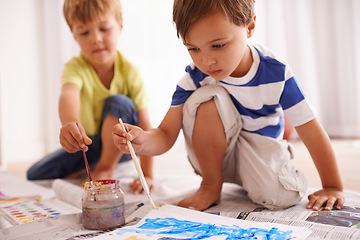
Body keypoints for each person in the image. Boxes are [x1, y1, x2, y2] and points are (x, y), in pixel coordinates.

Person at [113, 0, 344, 211]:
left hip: (258, 148)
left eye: (219, 45)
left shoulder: (276, 73)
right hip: (214, 153)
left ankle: (275, 154)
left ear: (250, 26)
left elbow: (312, 132)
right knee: (208, 95)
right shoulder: (195, 77)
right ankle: (211, 185)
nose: (206, 61)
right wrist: (141, 141)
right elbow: (165, 134)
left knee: (280, 197)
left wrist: (332, 185)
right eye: (193, 48)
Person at [27, 0, 154, 193]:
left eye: (104, 28)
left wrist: (148, 175)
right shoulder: (75, 67)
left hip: (121, 144)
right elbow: (68, 93)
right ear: (74, 36)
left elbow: (145, 127)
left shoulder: (130, 72)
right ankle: (93, 165)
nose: (95, 38)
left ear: (120, 26)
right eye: (84, 33)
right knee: (35, 173)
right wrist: (70, 123)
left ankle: (106, 167)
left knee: (119, 102)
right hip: (90, 145)